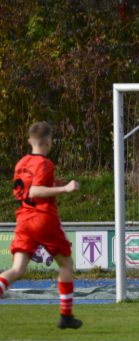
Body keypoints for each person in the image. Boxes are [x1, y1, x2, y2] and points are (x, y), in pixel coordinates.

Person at [0, 121, 82, 329]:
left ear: (30, 140)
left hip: (23, 219)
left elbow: (27, 188)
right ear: (48, 141)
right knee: (66, 265)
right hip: (42, 218)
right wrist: (64, 188)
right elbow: (35, 191)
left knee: (17, 269)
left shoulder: (21, 163)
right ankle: (66, 316)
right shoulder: (45, 164)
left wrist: (52, 184)